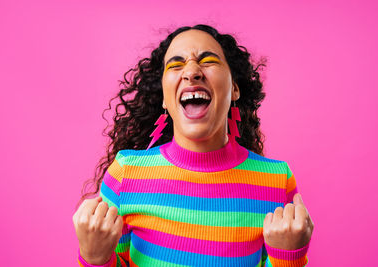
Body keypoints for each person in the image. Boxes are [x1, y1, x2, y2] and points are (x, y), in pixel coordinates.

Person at [72, 24, 314, 267]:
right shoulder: (126, 174)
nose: (191, 72)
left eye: (208, 61)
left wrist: (289, 259)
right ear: (165, 98)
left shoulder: (277, 180)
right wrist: (95, 258)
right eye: (176, 65)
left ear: (234, 88)